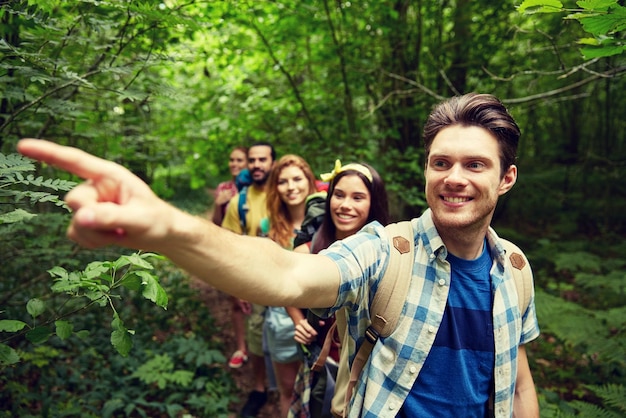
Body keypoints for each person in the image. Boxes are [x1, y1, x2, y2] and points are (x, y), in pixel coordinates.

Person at [17, 93, 540, 418]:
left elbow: (515, 381)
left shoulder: (514, 269)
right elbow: (287, 272)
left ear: (507, 178)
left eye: (475, 165)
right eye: (441, 162)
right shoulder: (386, 248)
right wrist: (169, 229)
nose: (453, 178)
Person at [287, 160, 390, 418]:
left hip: (368, 371)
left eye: (358, 197)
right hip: (324, 366)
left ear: (373, 203)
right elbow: (287, 289)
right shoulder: (308, 250)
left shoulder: (388, 256)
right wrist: (298, 321)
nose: (345, 205)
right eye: (339, 195)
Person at [220, 142, 276, 417]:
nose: (256, 165)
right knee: (256, 338)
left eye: (262, 159)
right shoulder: (238, 202)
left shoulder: (287, 192)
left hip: (292, 278)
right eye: (252, 160)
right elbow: (227, 246)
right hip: (254, 280)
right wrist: (236, 287)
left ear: (272, 163)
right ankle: (259, 388)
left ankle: (293, 389)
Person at [263, 154, 318, 417]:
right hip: (283, 319)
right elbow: (274, 280)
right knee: (289, 389)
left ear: (309, 182)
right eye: (283, 181)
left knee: (322, 388)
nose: (291, 186)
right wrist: (296, 320)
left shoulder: (325, 220)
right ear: (275, 188)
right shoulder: (269, 228)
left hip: (321, 318)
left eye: (297, 179)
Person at [211, 146, 248, 226]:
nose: (234, 164)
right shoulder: (223, 187)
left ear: (248, 163)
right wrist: (218, 205)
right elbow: (216, 224)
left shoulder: (255, 187)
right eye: (231, 160)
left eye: (239, 160)